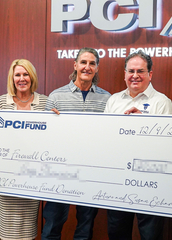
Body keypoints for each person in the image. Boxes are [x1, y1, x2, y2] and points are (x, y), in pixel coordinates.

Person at [104, 51, 172, 240]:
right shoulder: (113, 101)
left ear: (150, 74)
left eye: (141, 71)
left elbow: (169, 145)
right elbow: (105, 139)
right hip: (118, 179)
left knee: (150, 235)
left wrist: (144, 124)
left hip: (149, 181)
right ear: (124, 74)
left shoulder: (162, 103)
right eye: (131, 71)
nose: (135, 75)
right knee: (117, 231)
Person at [42, 47, 111, 240]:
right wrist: (51, 122)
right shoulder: (56, 96)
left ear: (97, 68)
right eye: (83, 62)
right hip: (60, 171)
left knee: (85, 225)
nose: (87, 67)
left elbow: (109, 136)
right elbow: (45, 135)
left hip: (91, 171)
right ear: (75, 65)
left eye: (92, 63)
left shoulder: (107, 99)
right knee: (53, 223)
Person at [0, 59, 48, 240]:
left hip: (33, 174)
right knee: (8, 223)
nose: (22, 79)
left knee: (28, 222)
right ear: (12, 78)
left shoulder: (44, 102)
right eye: (18, 75)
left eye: (26, 74)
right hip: (7, 174)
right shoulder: (2, 101)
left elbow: (52, 137)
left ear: (32, 77)